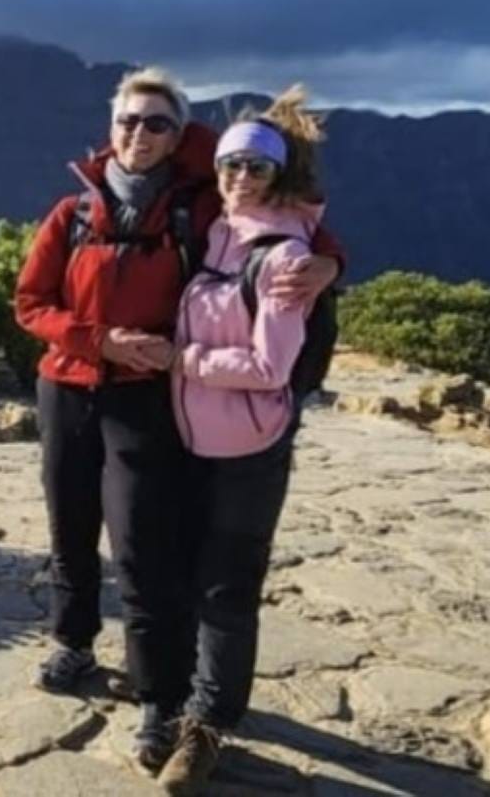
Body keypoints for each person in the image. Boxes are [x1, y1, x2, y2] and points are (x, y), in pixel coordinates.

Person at [13, 69, 343, 769]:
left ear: (180, 136)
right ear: (109, 127)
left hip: (146, 398)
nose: (139, 133)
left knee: (141, 547)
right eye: (128, 120)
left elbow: (285, 215)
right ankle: (71, 641)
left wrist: (330, 263)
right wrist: (97, 340)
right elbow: (30, 304)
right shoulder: (71, 212)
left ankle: (158, 696)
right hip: (68, 387)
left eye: (158, 123)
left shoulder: (200, 204)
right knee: (69, 526)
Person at [154, 88, 328, 794]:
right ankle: (187, 697)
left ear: (278, 174)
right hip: (191, 442)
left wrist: (182, 359)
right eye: (231, 164)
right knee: (187, 577)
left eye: (257, 167)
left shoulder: (283, 256)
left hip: (250, 452)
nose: (240, 177)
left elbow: (269, 368)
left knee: (227, 588)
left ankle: (206, 729)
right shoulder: (217, 231)